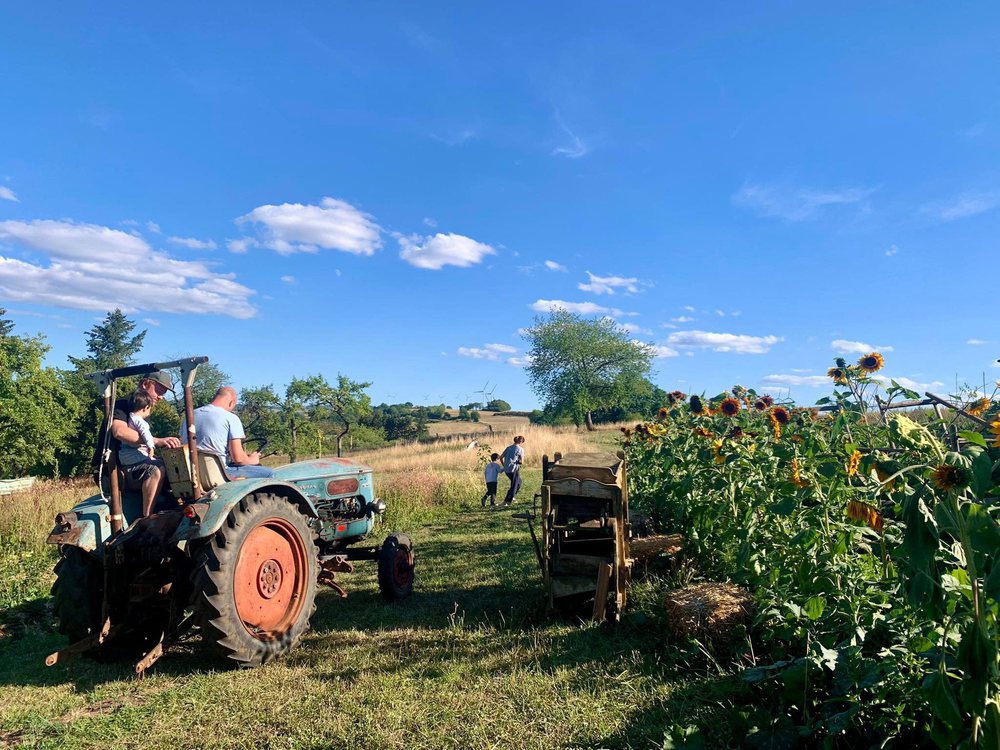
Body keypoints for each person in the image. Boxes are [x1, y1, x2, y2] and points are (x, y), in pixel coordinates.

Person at [92, 370, 182, 513]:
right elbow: (119, 431)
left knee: (175, 470)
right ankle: (148, 519)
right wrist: (157, 441)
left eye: (164, 394)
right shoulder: (123, 404)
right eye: (159, 391)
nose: (161, 397)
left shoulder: (141, 412)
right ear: (145, 384)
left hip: (128, 466)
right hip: (112, 472)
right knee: (157, 468)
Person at [181, 386, 273, 479]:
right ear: (231, 402)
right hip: (219, 473)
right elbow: (238, 459)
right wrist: (252, 459)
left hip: (191, 472)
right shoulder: (230, 418)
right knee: (269, 473)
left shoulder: (189, 416)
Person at [117, 391, 163, 516]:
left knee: (156, 461)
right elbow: (146, 434)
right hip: (132, 455)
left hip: (125, 454)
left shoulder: (130, 417)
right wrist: (151, 446)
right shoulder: (141, 421)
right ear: (146, 407)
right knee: (159, 466)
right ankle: (148, 514)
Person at [500, 435, 526, 506]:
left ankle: (512, 496)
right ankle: (507, 501)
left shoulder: (508, 448)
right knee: (514, 485)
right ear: (521, 442)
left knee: (518, 482)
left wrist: (504, 465)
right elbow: (522, 462)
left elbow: (501, 457)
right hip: (514, 469)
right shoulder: (520, 449)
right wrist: (519, 461)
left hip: (507, 470)